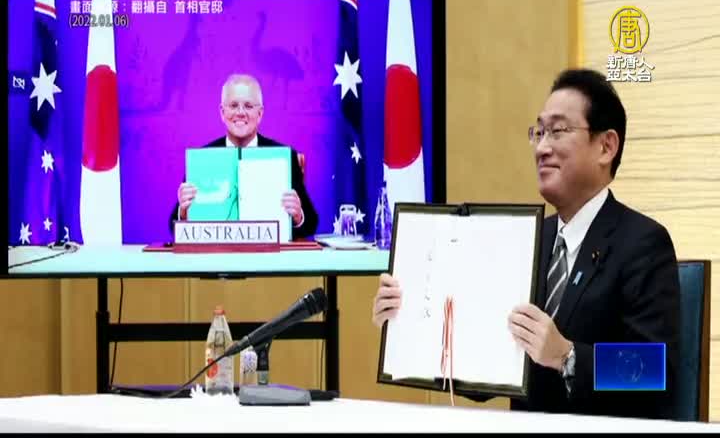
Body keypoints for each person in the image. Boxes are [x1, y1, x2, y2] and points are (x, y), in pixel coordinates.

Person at [372, 69, 680, 420]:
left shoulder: (642, 242)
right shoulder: (530, 239)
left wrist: (567, 356)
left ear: (606, 146)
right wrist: (407, 320)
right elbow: (492, 366)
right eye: (539, 132)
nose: (543, 148)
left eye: (558, 131)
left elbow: (654, 370)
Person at [169, 74, 318, 238]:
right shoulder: (203, 159)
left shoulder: (285, 157)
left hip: (268, 253)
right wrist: (183, 213)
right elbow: (173, 227)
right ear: (222, 113)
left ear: (260, 114)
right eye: (233, 105)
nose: (240, 112)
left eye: (248, 106)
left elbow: (311, 223)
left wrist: (298, 216)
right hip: (217, 253)